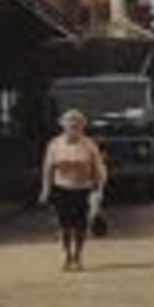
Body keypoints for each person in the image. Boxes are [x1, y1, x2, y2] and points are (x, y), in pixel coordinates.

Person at [40, 109, 108, 272]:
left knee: (80, 226)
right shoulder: (54, 144)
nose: (73, 127)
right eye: (70, 123)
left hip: (83, 189)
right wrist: (45, 190)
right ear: (63, 125)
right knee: (63, 226)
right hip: (61, 189)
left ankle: (77, 256)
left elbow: (99, 170)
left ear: (82, 126)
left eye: (77, 124)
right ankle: (66, 255)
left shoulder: (89, 145)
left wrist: (99, 191)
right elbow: (48, 169)